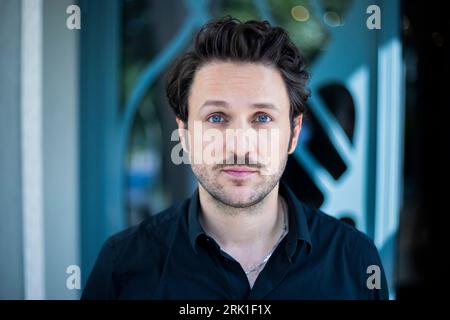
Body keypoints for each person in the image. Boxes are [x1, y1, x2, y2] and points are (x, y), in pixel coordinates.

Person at [82, 16, 388, 300]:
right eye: (216, 117)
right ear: (185, 133)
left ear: (293, 134)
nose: (239, 146)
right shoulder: (122, 266)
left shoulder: (355, 262)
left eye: (262, 118)